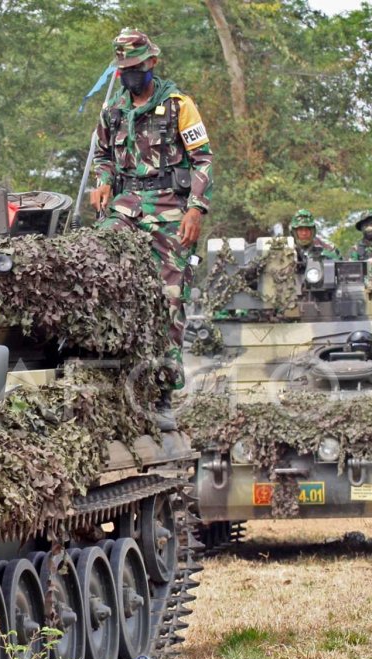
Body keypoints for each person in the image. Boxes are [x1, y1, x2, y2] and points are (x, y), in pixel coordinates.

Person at [88, 29, 213, 391]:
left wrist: (196, 209)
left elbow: (203, 159)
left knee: (169, 298)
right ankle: (103, 371)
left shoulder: (178, 104)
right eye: (124, 68)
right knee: (94, 258)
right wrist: (104, 181)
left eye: (136, 66)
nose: (130, 74)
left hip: (169, 207)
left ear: (151, 63)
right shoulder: (112, 111)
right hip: (125, 206)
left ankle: (163, 390)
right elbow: (103, 156)